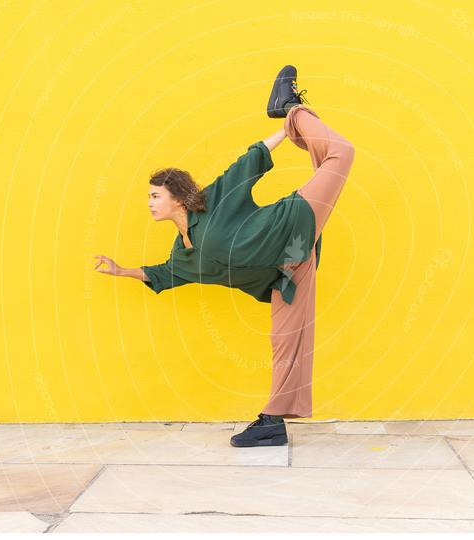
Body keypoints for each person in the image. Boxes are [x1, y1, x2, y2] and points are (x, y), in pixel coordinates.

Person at [93, 65, 355, 447]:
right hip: (286, 274)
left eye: (154, 196)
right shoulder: (182, 257)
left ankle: (291, 109)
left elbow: (251, 160)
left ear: (177, 196)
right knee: (286, 341)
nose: (149, 203)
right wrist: (121, 271)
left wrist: (286, 127)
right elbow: (162, 274)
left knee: (342, 153)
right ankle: (272, 422)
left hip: (293, 224)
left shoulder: (211, 202)